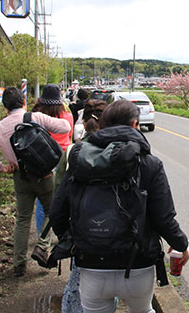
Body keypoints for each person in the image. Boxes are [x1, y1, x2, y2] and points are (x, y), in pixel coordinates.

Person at [50, 99, 189, 313]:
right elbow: (163, 218)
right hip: (137, 264)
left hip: (91, 265)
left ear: (103, 125)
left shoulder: (81, 160)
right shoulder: (150, 164)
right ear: (134, 125)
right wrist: (180, 244)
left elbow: (57, 213)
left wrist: (77, 241)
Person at [0, 86, 70, 277]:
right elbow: (65, 127)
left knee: (22, 220)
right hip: (44, 175)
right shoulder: (34, 117)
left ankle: (19, 263)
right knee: (51, 212)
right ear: (24, 102)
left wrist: (2, 167)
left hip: (21, 178)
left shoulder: (0, 126)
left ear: (6, 107)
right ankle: (42, 247)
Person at [57, 98, 107, 313]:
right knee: (106, 292)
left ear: (84, 124)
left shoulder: (72, 152)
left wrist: (67, 237)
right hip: (115, 237)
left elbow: (57, 204)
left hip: (83, 236)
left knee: (77, 291)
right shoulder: (121, 155)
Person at [31, 84, 74, 263]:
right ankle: (59, 232)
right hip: (64, 159)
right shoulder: (68, 116)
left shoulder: (40, 118)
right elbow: (70, 135)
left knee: (43, 203)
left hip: (43, 161)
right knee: (63, 199)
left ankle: (43, 237)